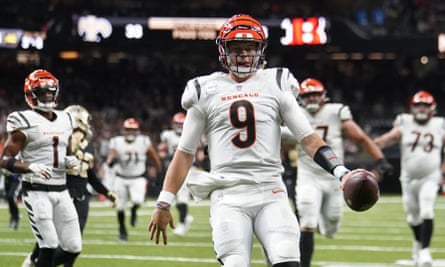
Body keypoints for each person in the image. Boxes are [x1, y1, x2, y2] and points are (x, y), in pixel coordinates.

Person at [148, 14, 371, 267]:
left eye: (250, 48)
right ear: (224, 51)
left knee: (287, 260)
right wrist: (164, 202)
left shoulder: (276, 83)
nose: (243, 55)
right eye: (236, 49)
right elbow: (185, 152)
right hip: (227, 194)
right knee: (235, 262)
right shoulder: (204, 90)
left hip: (270, 190)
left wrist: (340, 171)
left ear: (260, 50)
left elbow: (308, 139)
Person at [281, 78, 393, 267]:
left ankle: (319, 224)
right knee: (307, 220)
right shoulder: (295, 113)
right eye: (308, 95)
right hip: (308, 175)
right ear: (301, 98)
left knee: (331, 227)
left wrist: (380, 159)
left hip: (335, 178)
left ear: (324, 96)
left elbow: (360, 138)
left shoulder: (335, 112)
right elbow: (279, 138)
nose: (312, 99)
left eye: (316, 94)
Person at [0, 69, 82, 267]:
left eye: (50, 91)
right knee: (49, 244)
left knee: (73, 246)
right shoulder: (22, 120)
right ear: (31, 94)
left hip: (62, 190)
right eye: (42, 92)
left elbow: (66, 152)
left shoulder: (66, 118)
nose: (47, 95)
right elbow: (4, 159)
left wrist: (70, 161)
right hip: (36, 190)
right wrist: (30, 167)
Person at [22, 105, 119, 267]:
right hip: (61, 194)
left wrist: (107, 192)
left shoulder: (88, 145)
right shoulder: (57, 139)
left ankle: (38, 262)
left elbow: (90, 174)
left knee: (74, 245)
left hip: (81, 198)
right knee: (49, 239)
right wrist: (70, 146)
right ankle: (34, 260)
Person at [374, 90, 445, 267]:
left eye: (425, 105)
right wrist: (373, 145)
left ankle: (425, 252)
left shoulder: (439, 124)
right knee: (413, 218)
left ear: (433, 108)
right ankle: (418, 244)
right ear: (412, 107)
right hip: (408, 178)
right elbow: (390, 138)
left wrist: (443, 172)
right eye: (418, 105)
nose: (421, 109)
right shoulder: (404, 122)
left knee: (427, 210)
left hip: (431, 176)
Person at [106, 117, 162, 241]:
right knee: (120, 206)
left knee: (137, 201)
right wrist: (111, 160)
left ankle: (134, 211)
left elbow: (154, 157)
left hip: (138, 178)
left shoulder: (143, 141)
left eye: (133, 130)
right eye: (128, 130)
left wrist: (159, 172)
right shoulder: (117, 141)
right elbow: (112, 154)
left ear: (137, 131)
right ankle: (122, 231)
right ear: (124, 130)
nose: (130, 132)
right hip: (121, 177)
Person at [159, 112, 194, 236]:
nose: (179, 127)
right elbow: (162, 151)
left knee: (182, 197)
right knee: (172, 198)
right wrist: (165, 156)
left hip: (187, 168)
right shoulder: (167, 135)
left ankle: (182, 224)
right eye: (177, 124)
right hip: (173, 168)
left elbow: (199, 151)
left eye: (181, 124)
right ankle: (185, 217)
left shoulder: (192, 133)